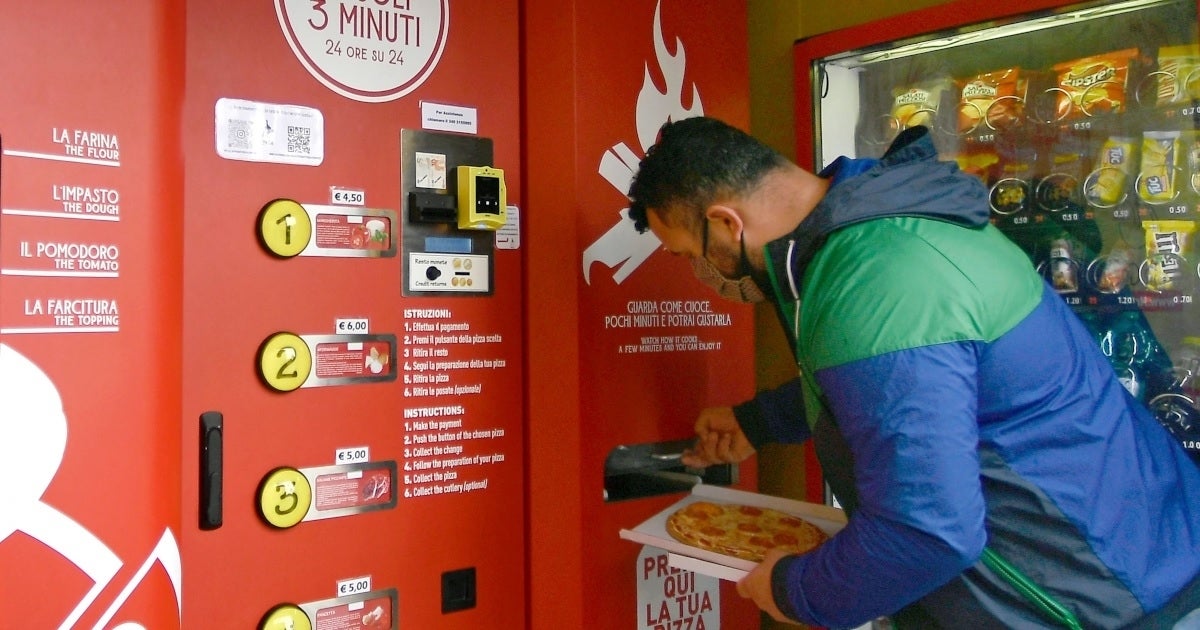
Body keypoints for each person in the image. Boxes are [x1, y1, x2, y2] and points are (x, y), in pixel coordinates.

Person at [626, 116, 1200, 629]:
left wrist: (791, 590)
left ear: (726, 222)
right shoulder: (889, 227)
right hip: (1143, 548)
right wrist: (760, 421)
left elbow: (927, 532)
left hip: (1095, 596)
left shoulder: (875, 278)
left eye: (689, 255)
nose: (700, 273)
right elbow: (923, 383)